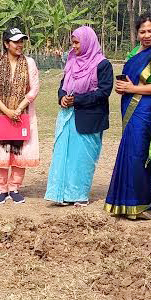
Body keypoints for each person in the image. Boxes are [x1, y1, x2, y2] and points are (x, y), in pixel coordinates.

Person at [104, 13, 151, 218]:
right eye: (142, 31)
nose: (147, 35)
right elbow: (131, 82)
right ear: (137, 33)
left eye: (150, 31)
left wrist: (133, 87)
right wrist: (124, 88)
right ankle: (124, 203)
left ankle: (140, 203)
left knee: (139, 153)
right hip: (130, 105)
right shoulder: (136, 52)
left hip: (146, 110)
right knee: (129, 152)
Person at [45, 26, 113, 207]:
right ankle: (61, 194)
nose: (73, 46)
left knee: (82, 158)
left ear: (87, 42)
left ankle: (79, 194)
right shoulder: (71, 60)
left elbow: (104, 92)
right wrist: (62, 98)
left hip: (89, 118)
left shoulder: (102, 64)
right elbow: (63, 84)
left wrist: (77, 99)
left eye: (77, 42)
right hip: (67, 115)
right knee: (63, 155)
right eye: (72, 43)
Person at [0, 27, 40, 204]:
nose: (19, 45)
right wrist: (7, 110)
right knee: (2, 152)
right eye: (15, 41)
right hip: (2, 115)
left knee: (20, 151)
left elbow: (34, 89)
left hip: (22, 114)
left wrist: (18, 109)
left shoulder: (29, 63)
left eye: (21, 41)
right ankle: (1, 189)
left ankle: (14, 187)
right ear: (6, 44)